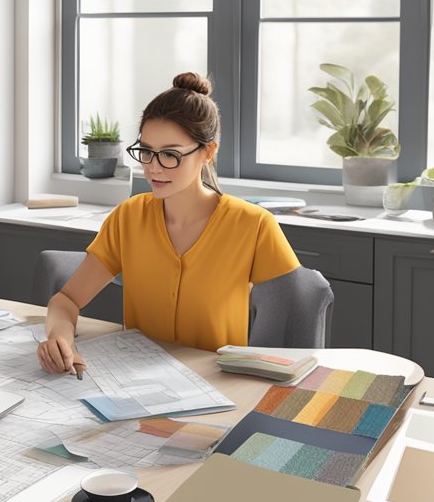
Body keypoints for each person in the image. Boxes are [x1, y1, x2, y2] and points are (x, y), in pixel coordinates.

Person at [36, 72, 300, 375]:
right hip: (137, 380)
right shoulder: (128, 218)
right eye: (146, 152)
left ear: (208, 152)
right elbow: (66, 301)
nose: (153, 168)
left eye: (170, 155)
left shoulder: (254, 226)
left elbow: (286, 336)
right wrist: (60, 338)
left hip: (219, 385)